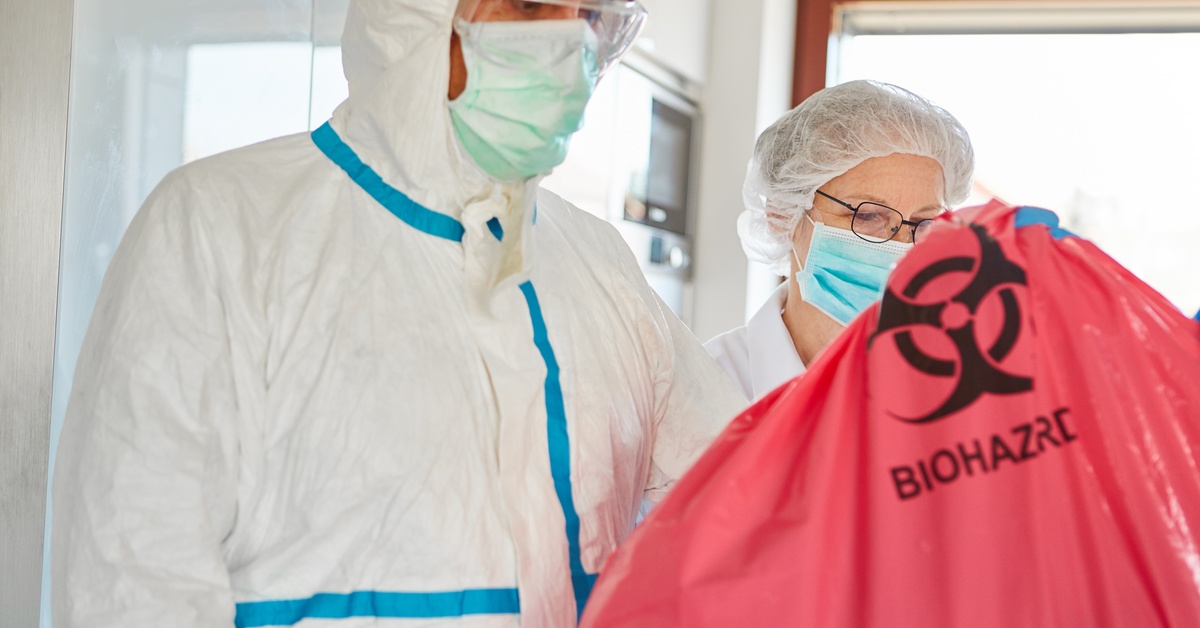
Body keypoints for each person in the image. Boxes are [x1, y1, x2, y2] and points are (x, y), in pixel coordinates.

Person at [51, 1, 744, 626]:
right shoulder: (220, 228)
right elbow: (135, 581)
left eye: (590, 15)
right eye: (530, 5)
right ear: (415, 16)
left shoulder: (599, 265)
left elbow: (753, 497)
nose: (571, 42)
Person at [705, 80, 975, 401]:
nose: (901, 247)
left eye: (922, 223)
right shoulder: (707, 389)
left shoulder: (953, 390)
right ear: (783, 214)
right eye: (868, 216)